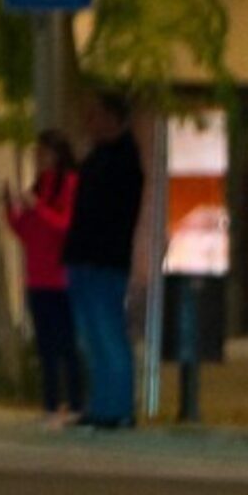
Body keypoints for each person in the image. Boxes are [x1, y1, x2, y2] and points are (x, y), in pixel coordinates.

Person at [63, 91, 145, 430]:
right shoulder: (97, 157)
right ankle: (101, 405)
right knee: (91, 335)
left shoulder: (123, 161)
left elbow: (108, 213)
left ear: (113, 119)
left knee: (107, 332)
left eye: (95, 116)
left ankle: (119, 408)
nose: (88, 123)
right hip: (85, 258)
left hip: (104, 260)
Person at [3, 131, 83, 424]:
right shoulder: (39, 188)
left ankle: (74, 403)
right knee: (45, 347)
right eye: (37, 154)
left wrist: (38, 208)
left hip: (60, 278)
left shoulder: (69, 185)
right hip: (36, 277)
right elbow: (27, 231)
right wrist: (12, 210)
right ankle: (50, 404)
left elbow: (64, 225)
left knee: (66, 344)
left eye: (44, 154)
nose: (39, 159)